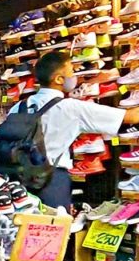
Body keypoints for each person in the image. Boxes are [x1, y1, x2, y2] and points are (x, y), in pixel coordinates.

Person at [19, 51, 139, 210]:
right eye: (71, 71)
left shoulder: (19, 106)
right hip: (52, 179)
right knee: (54, 229)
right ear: (59, 79)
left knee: (25, 228)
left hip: (19, 179)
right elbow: (131, 117)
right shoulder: (70, 108)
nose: (74, 76)